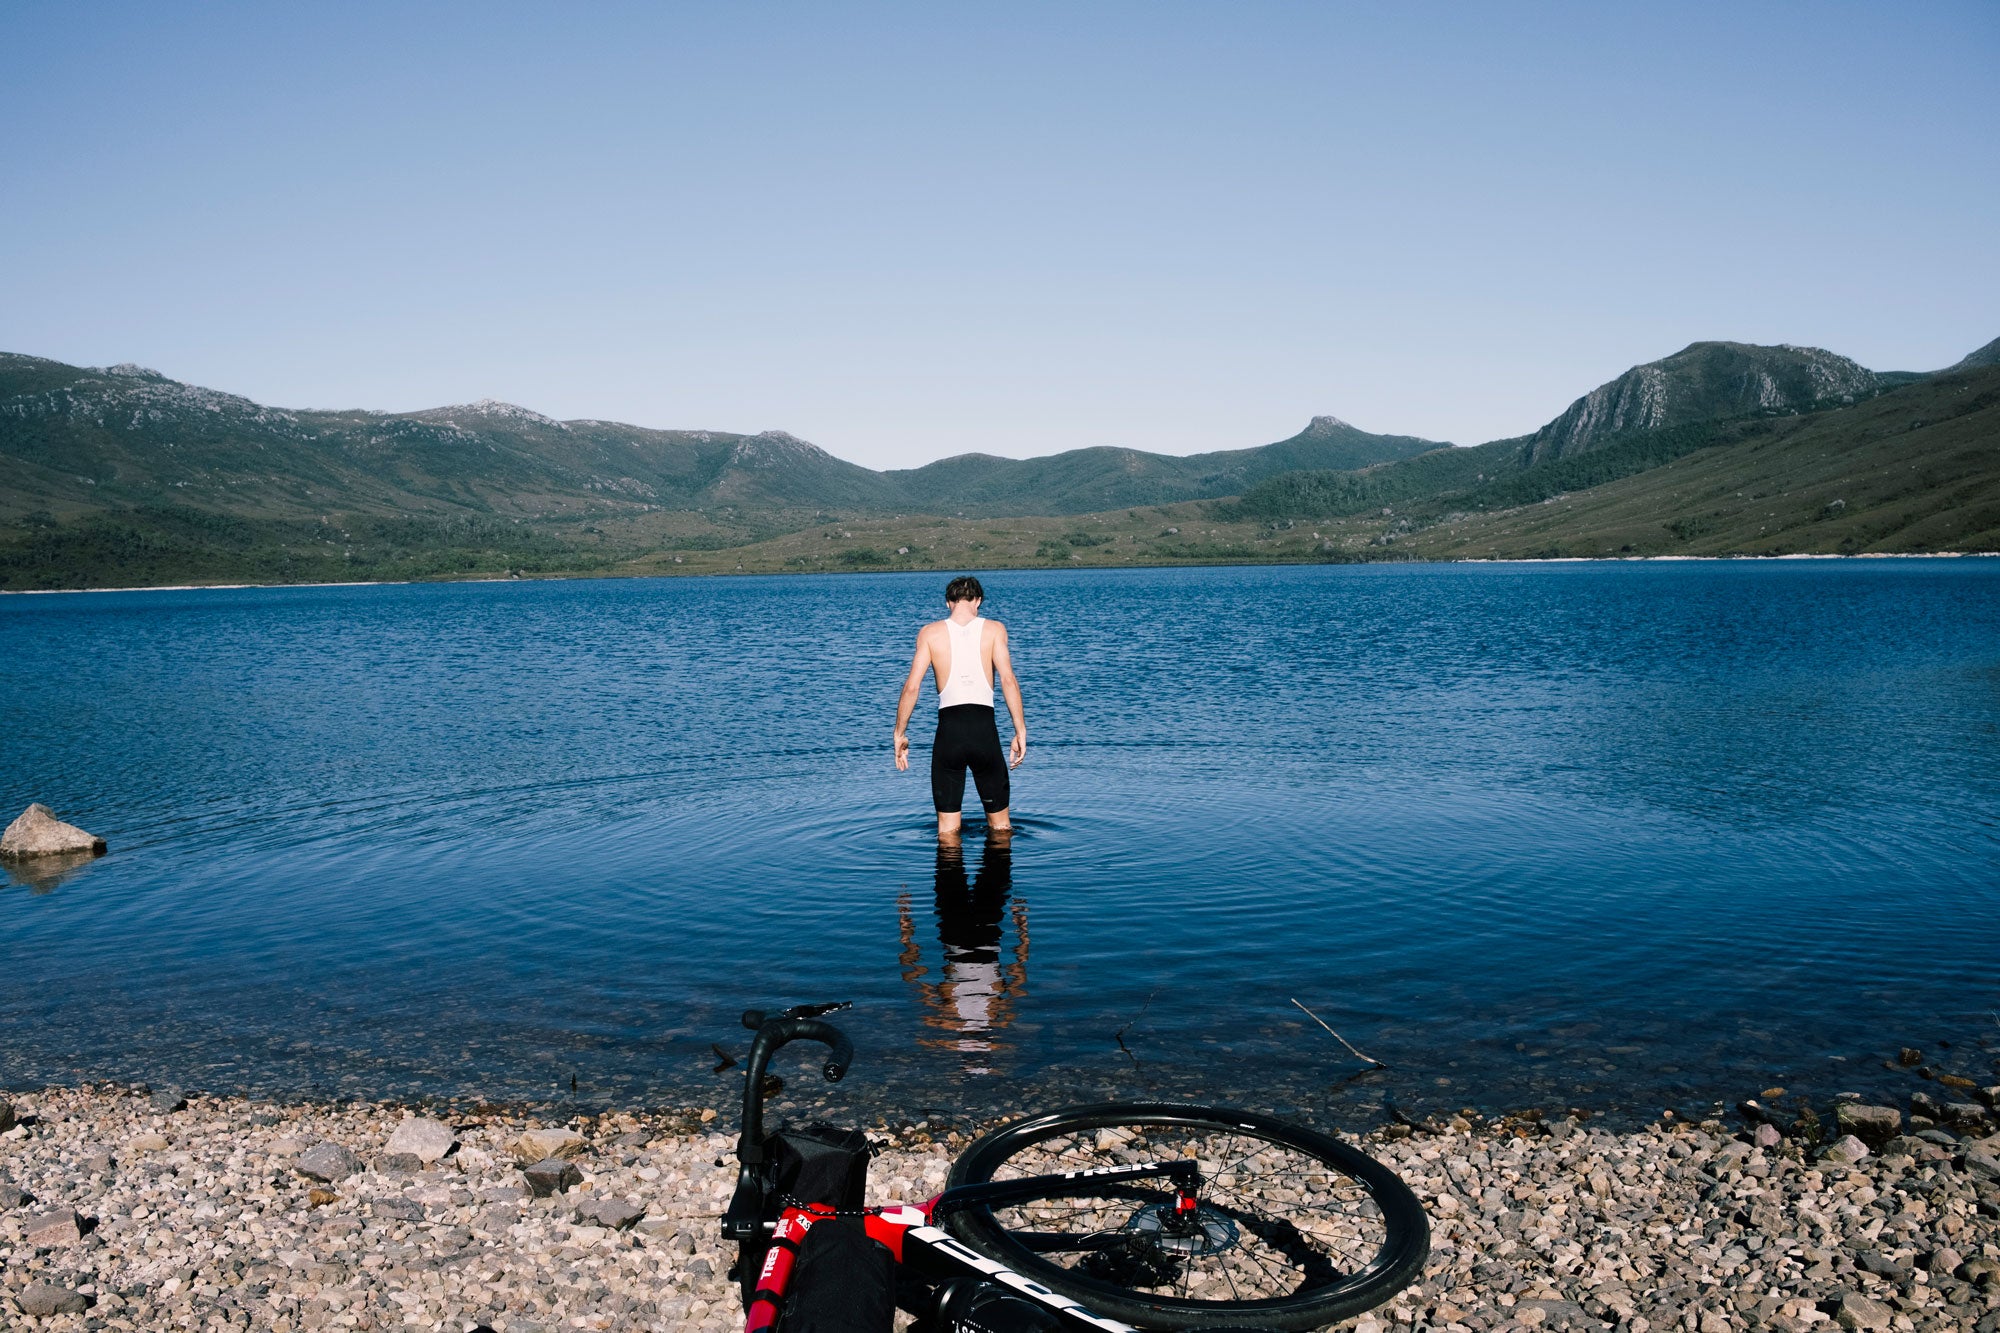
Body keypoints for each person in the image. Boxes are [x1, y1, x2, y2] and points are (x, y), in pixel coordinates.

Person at [893, 575, 1026, 840]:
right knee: (1001, 829)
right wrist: (1020, 730)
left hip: (949, 735)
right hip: (984, 732)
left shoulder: (929, 633)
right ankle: (997, 876)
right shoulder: (995, 630)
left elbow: (911, 687)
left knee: (947, 831)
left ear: (948, 603)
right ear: (978, 601)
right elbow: (1008, 680)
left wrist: (900, 733)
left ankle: (948, 875)